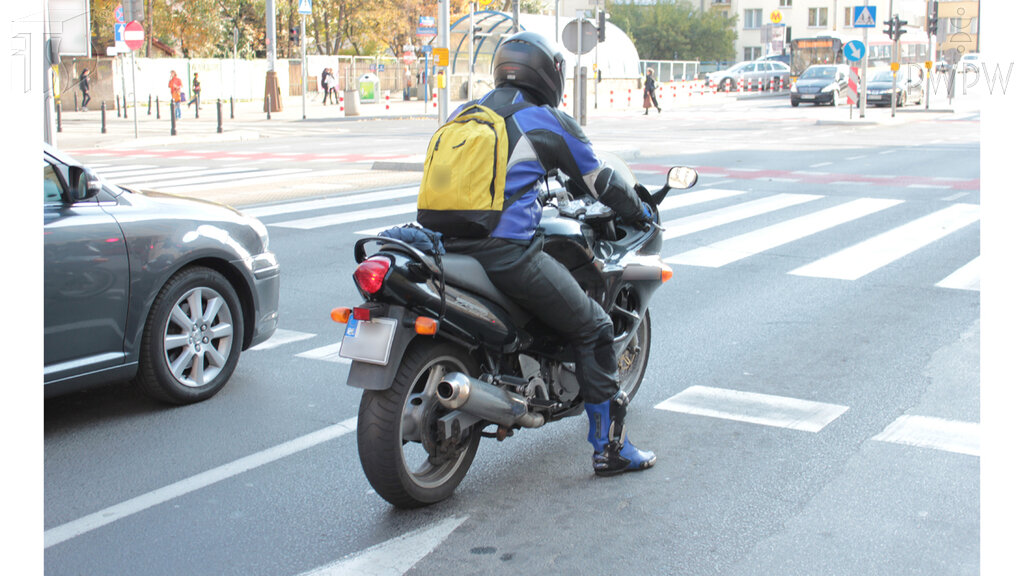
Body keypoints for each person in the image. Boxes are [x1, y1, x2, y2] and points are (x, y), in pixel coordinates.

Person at [422, 31, 656, 476]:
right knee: (593, 326)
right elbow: (600, 181)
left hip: (444, 245)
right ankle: (610, 449)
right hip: (504, 253)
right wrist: (639, 210)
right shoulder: (544, 120)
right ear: (549, 73)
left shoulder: (467, 113)